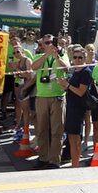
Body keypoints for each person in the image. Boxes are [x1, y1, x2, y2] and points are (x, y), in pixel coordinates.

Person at [29, 34, 68, 170]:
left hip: (57, 97)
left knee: (57, 131)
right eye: (46, 43)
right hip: (42, 97)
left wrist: (56, 56)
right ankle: (43, 158)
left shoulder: (62, 56)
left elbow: (66, 69)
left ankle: (54, 160)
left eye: (51, 42)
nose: (49, 45)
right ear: (42, 45)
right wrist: (46, 55)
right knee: (42, 130)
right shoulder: (38, 57)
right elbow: (33, 67)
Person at [57, 47, 93, 168]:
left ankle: (75, 166)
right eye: (75, 57)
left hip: (78, 108)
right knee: (71, 138)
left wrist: (67, 85)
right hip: (70, 106)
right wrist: (63, 85)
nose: (77, 60)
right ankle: (74, 165)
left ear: (85, 58)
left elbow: (80, 92)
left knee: (76, 139)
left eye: (80, 57)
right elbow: (72, 90)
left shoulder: (86, 72)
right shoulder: (75, 71)